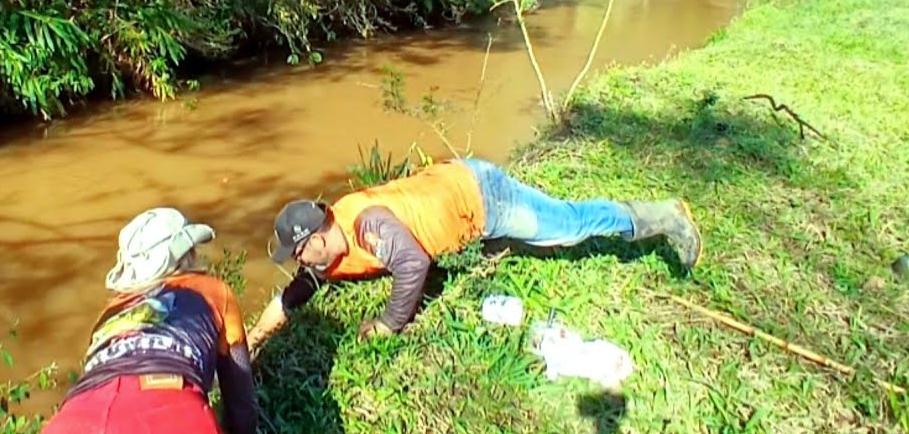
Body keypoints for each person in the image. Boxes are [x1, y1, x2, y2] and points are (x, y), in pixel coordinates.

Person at [246, 158, 701, 347]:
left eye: (301, 252)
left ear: (318, 234)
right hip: (453, 185)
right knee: (533, 235)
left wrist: (388, 324)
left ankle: (663, 216)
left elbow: (413, 264)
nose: (302, 263)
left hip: (483, 196)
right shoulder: (328, 251)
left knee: (567, 226)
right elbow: (293, 296)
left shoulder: (367, 226)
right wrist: (250, 340)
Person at [41, 208, 258, 434]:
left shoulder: (109, 312)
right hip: (171, 412)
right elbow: (240, 403)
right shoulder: (214, 291)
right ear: (188, 252)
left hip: (74, 417)